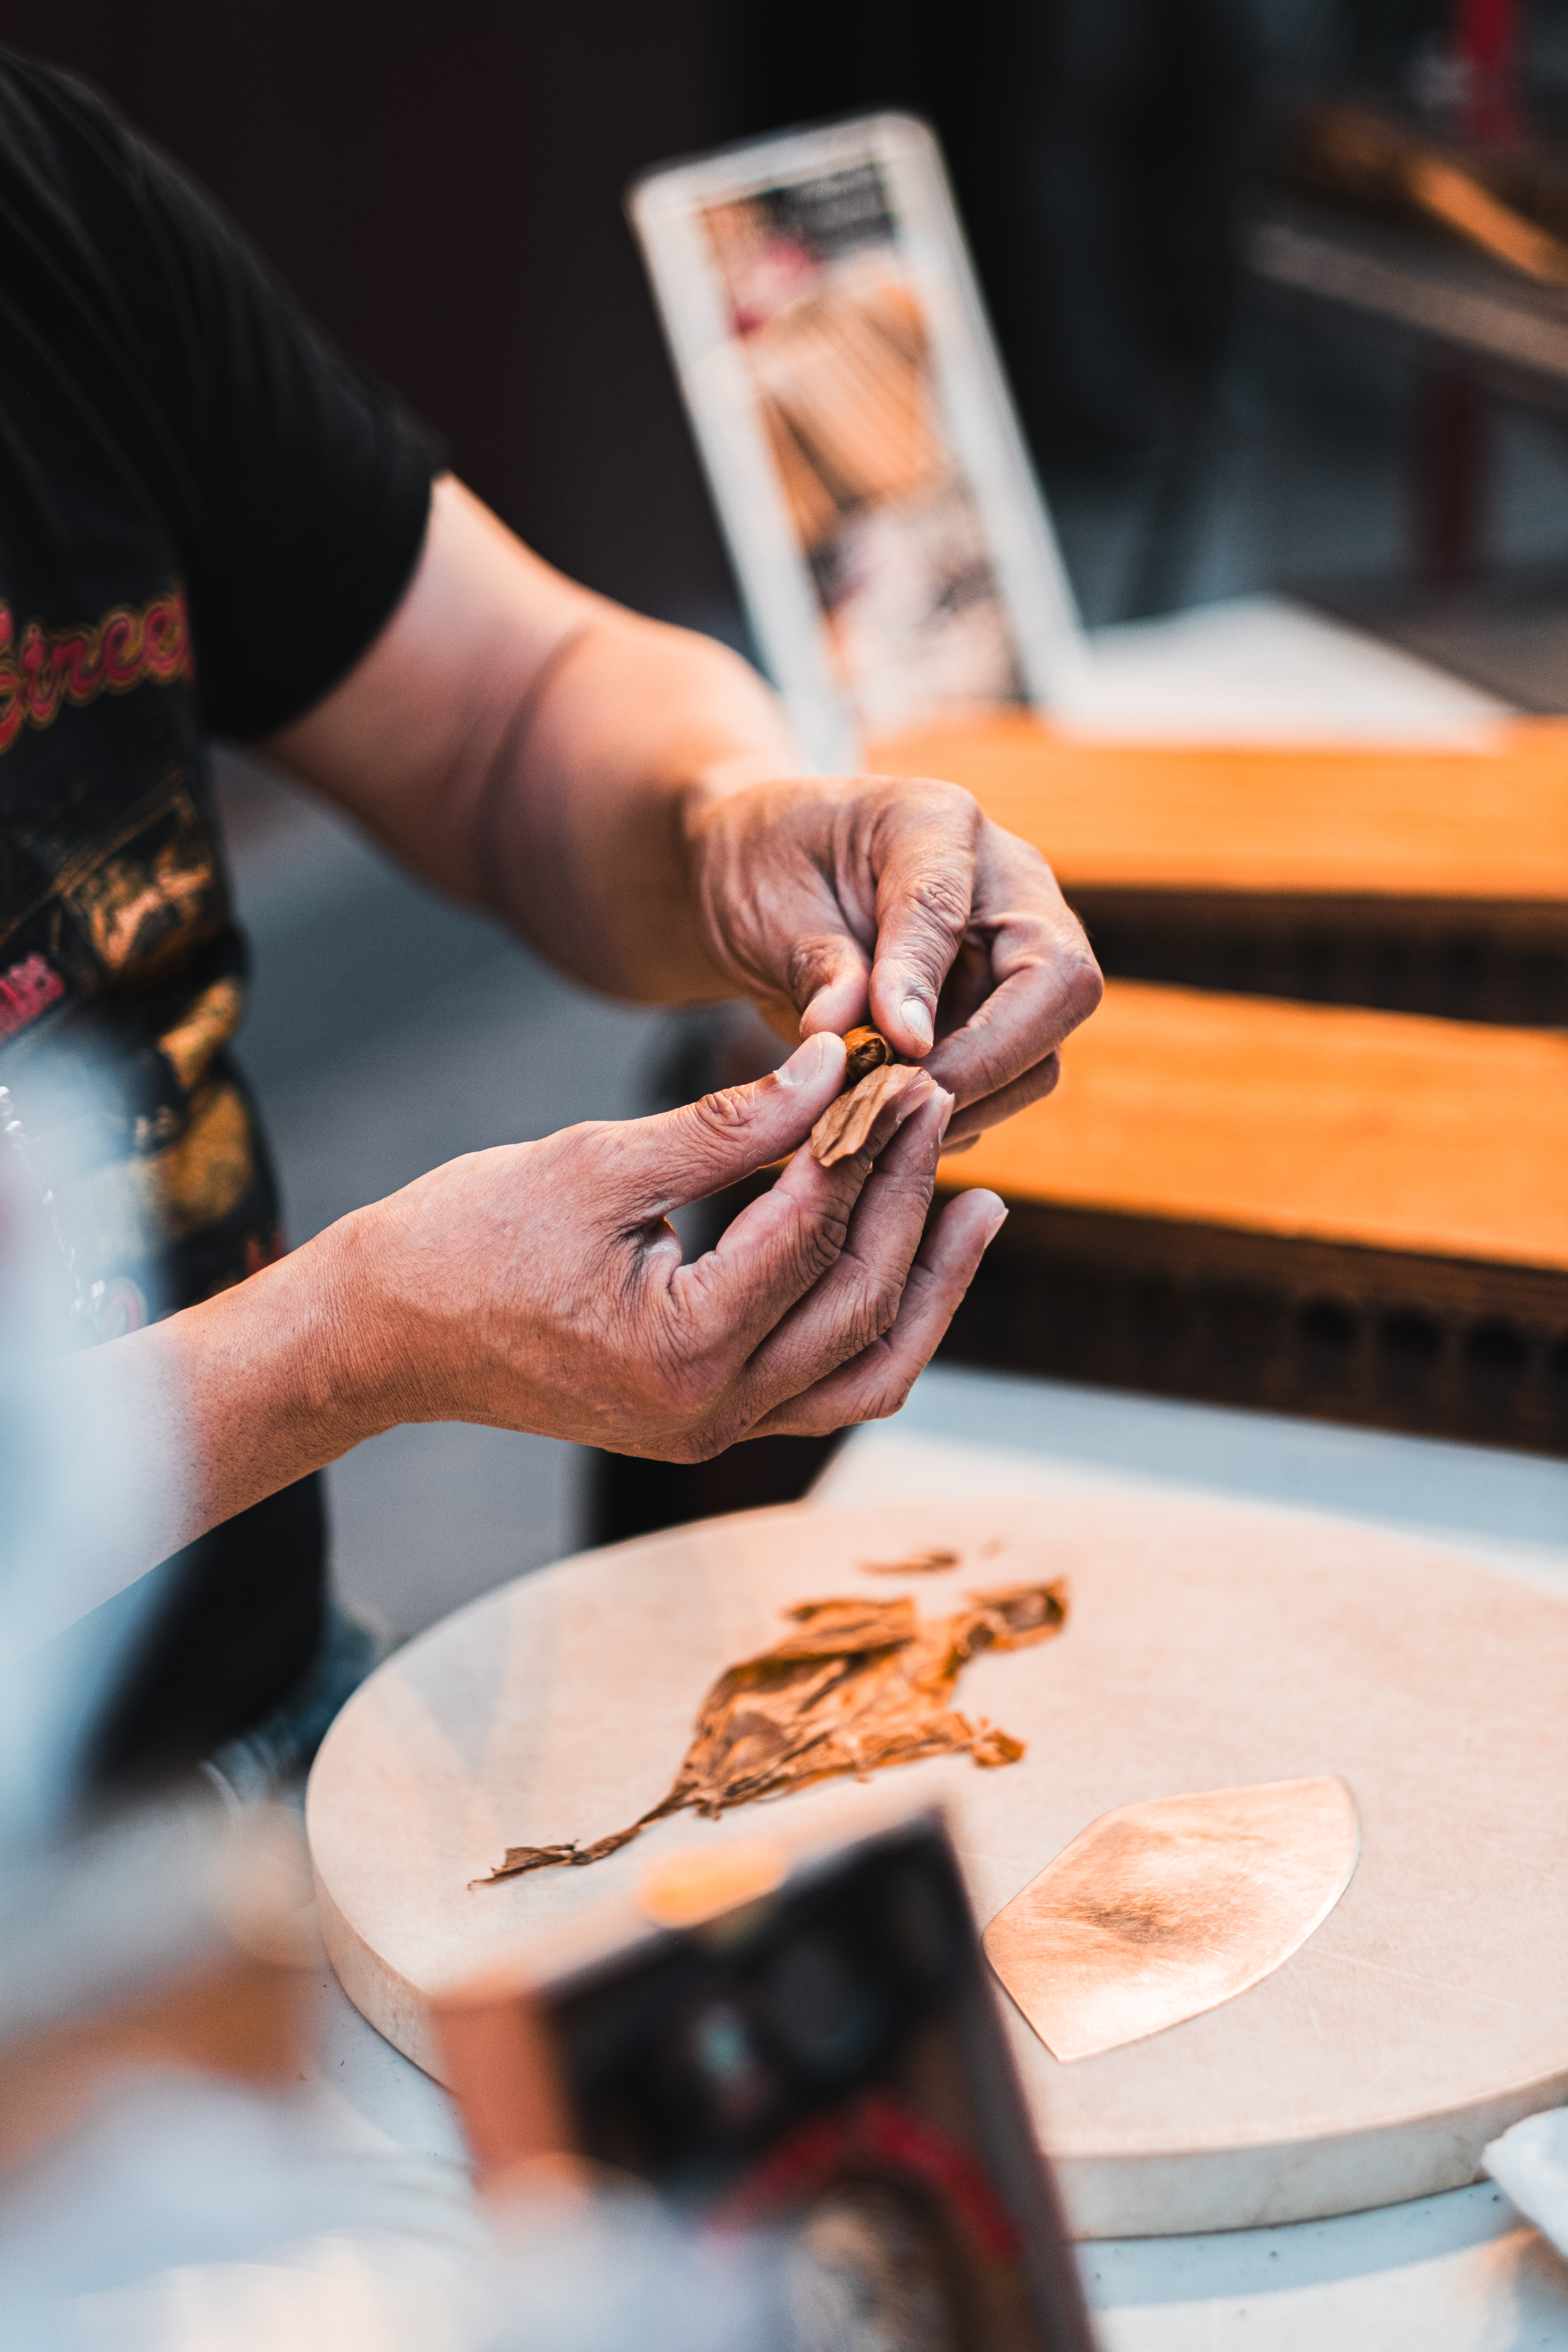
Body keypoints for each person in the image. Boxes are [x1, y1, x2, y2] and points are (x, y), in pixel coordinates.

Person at [0, 53, 1100, 1793]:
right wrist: (341, 1348)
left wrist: (734, 819)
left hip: (242, 1718)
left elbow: (503, 710)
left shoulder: (39, 190)